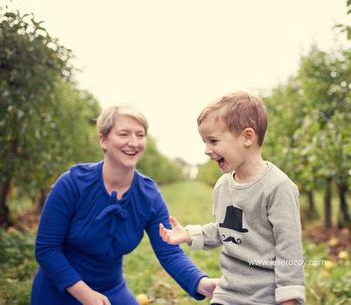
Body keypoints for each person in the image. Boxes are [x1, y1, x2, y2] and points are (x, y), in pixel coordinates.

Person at [31, 106, 217, 305]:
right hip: (60, 288)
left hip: (111, 289)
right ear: (103, 140)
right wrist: (85, 294)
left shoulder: (148, 195)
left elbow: (169, 251)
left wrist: (201, 283)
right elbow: (47, 249)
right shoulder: (72, 184)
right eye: (123, 134)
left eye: (140, 135)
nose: (134, 142)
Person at [160, 92, 306, 305]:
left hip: (265, 297)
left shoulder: (278, 187)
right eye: (204, 141)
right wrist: (190, 234)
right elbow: (225, 229)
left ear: (247, 137)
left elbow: (289, 250)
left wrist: (289, 299)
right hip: (227, 293)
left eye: (213, 141)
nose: (207, 151)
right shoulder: (223, 186)